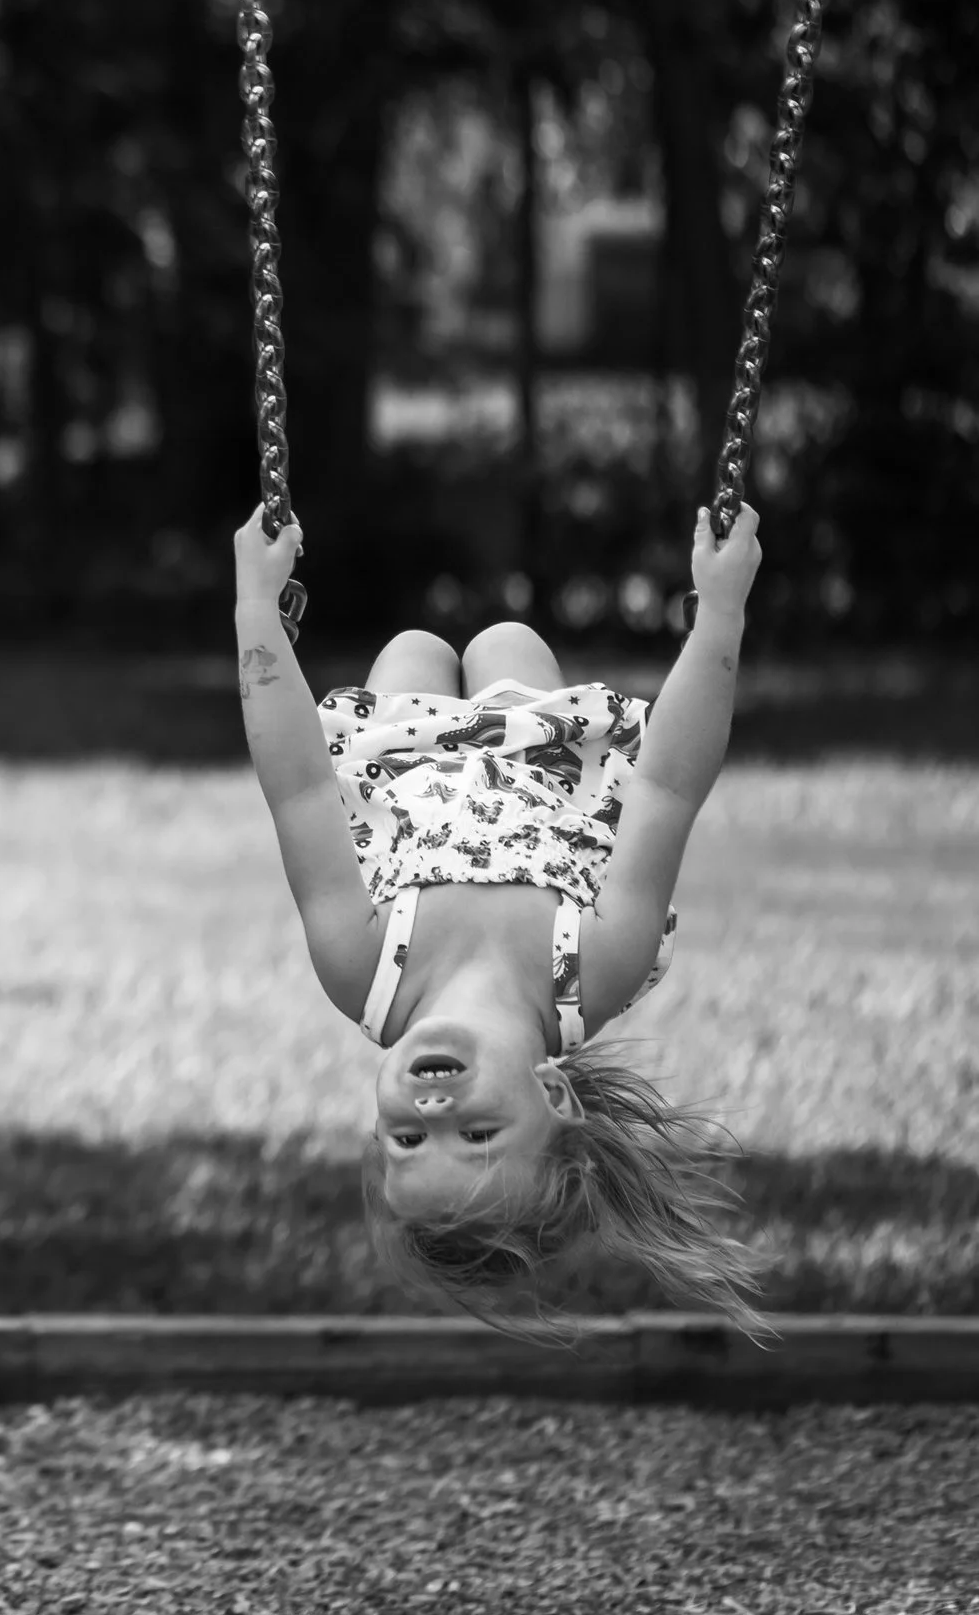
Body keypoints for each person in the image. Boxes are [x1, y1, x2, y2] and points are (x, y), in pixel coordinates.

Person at [233, 503, 766, 1330]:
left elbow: (298, 791)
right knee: (506, 640)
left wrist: (256, 610)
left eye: (406, 1143)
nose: (434, 1117)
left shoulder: (360, 970)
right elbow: (668, 789)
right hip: (539, 751)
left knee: (413, 647)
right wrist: (720, 613)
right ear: (554, 1098)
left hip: (401, 754)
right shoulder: (597, 967)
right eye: (480, 1136)